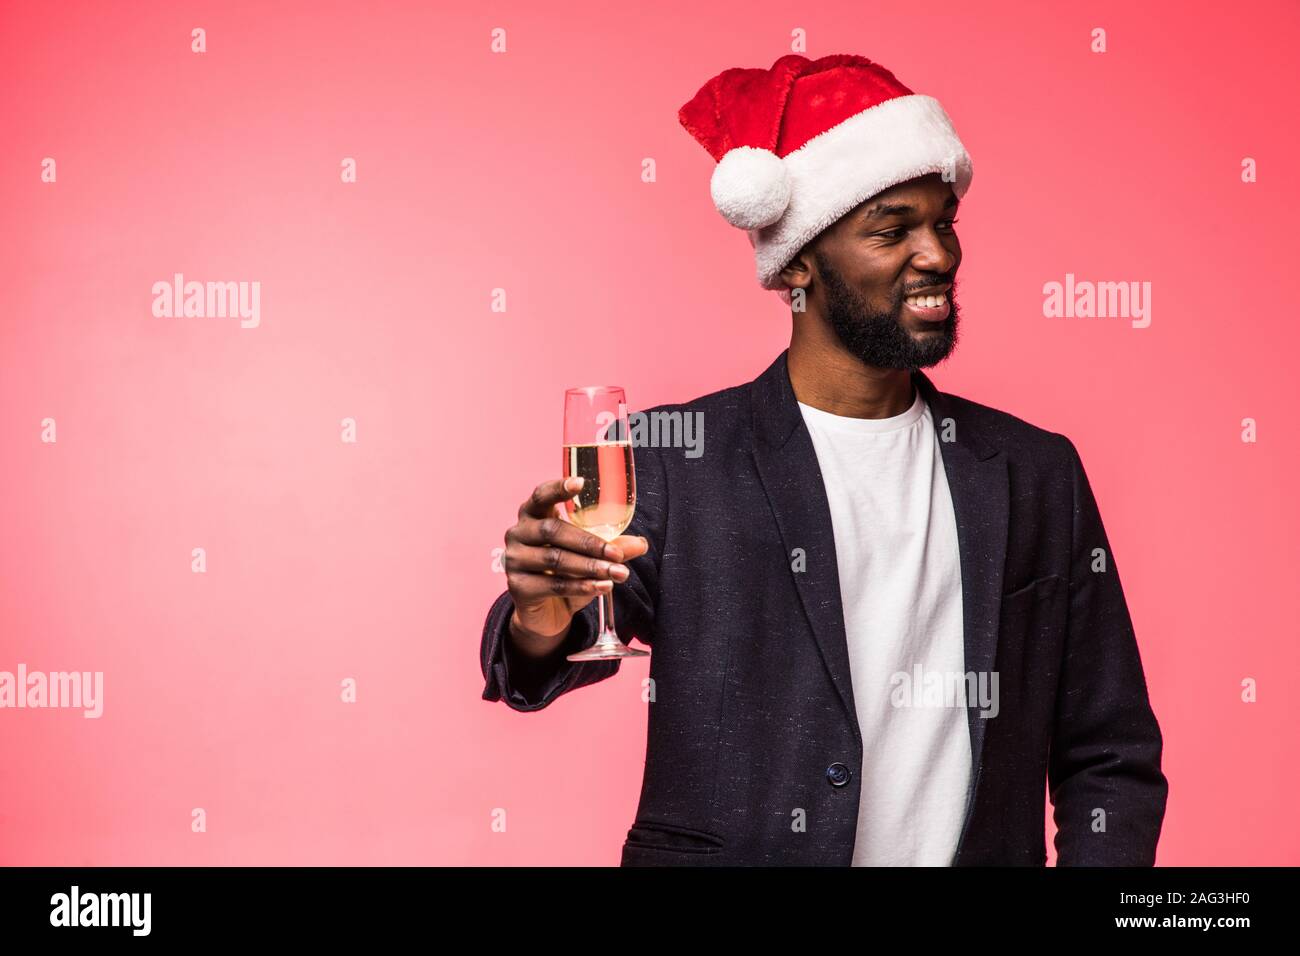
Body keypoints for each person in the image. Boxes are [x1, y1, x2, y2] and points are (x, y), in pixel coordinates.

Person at [480, 53, 1168, 866]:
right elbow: (541, 660)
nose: (938, 254)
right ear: (798, 262)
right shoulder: (672, 461)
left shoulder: (1034, 471)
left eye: (943, 220)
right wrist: (541, 613)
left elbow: (1110, 755)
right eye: (892, 228)